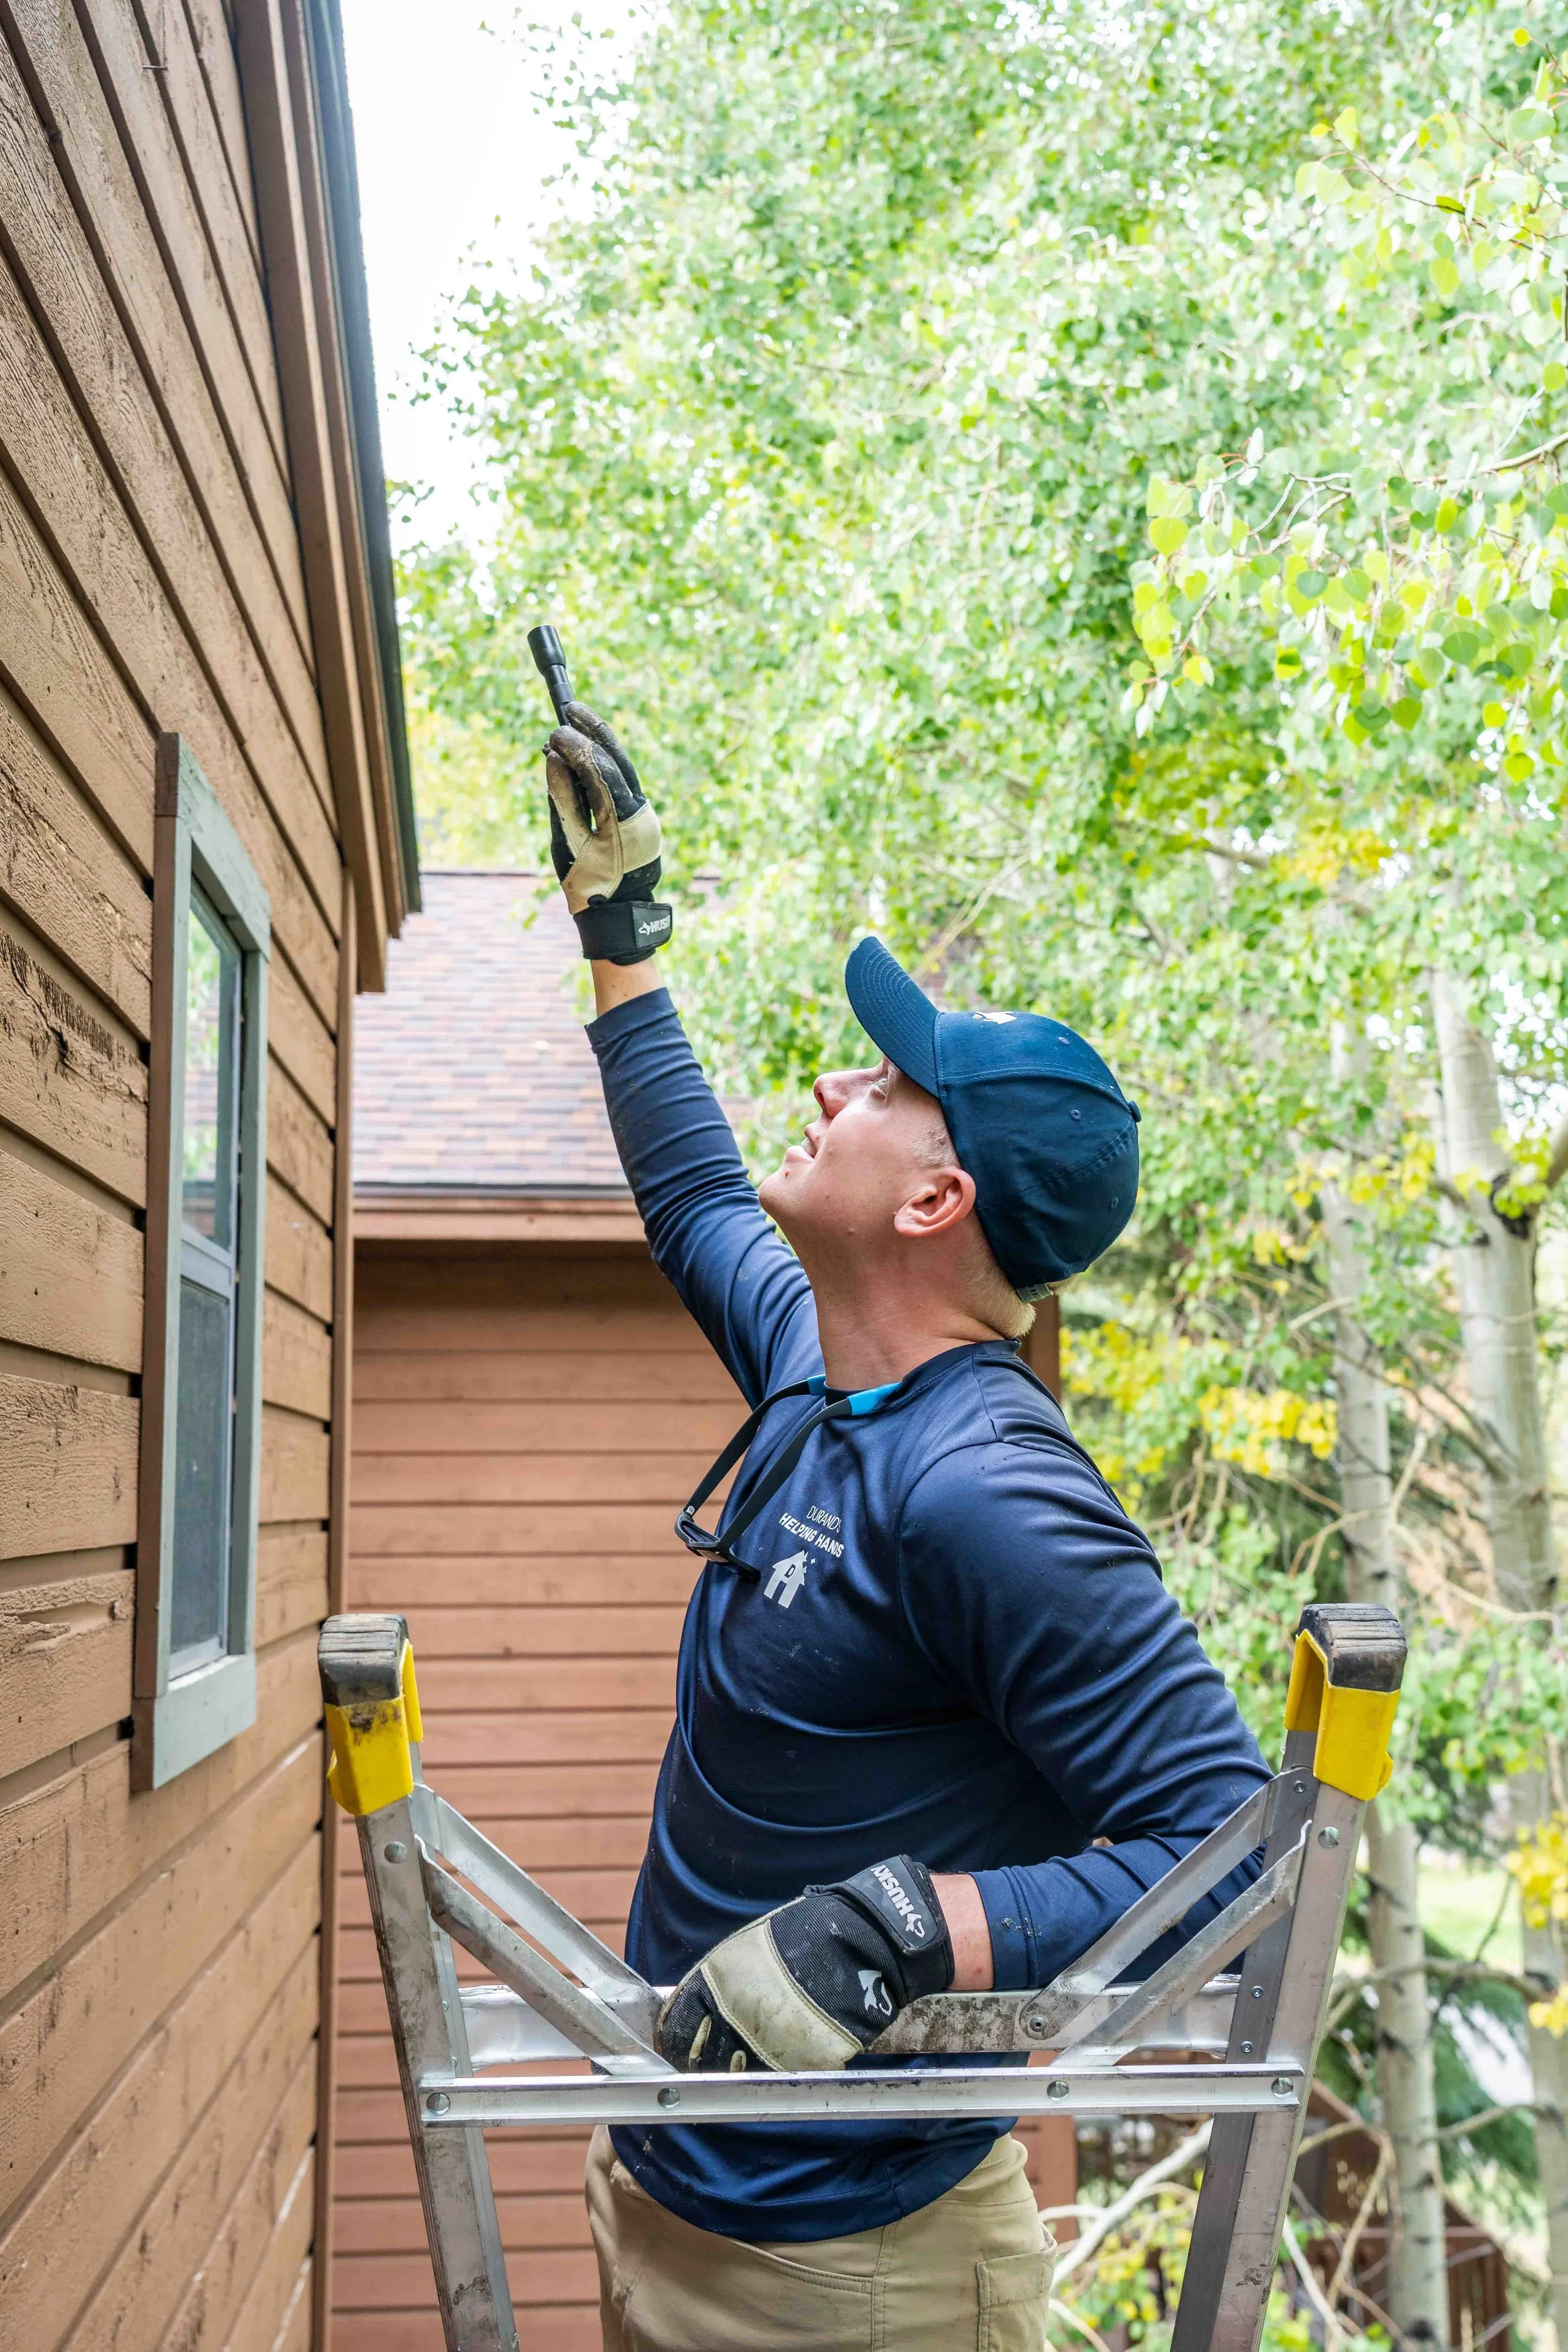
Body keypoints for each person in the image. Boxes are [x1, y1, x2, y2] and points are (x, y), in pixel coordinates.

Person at [542, 702, 1269, 2351]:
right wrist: (619, 928)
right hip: (668, 2183)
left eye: (877, 1082)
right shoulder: (817, 1372)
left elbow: (1238, 1850)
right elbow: (693, 1198)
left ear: (936, 1203)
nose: (825, 1076)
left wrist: (914, 1922)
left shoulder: (986, 1493)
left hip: (855, 2275)